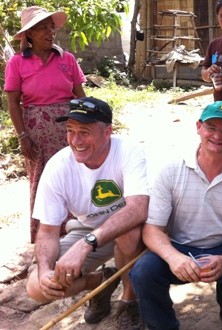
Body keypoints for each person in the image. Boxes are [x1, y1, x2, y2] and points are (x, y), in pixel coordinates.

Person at [129, 101, 222, 328]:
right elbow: (152, 228)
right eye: (211, 127)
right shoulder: (171, 169)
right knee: (142, 274)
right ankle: (162, 325)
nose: (217, 135)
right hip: (178, 245)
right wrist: (174, 257)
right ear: (198, 127)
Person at [25, 97, 149, 329]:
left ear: (107, 132)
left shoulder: (128, 151)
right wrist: (44, 271)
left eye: (84, 131)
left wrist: (85, 245)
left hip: (131, 229)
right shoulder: (58, 166)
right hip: (88, 229)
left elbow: (137, 208)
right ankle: (100, 282)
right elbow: (48, 231)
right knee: (37, 288)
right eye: (70, 131)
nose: (75, 140)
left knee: (128, 234)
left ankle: (129, 301)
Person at [4, 6, 87, 243]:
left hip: (70, 128)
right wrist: (22, 137)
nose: (49, 32)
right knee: (41, 180)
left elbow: (80, 95)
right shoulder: (17, 63)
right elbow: (13, 103)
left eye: (51, 26)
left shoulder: (67, 59)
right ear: (29, 34)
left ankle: (74, 232)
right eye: (42, 27)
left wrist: (89, 127)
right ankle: (44, 236)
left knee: (73, 175)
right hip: (36, 129)